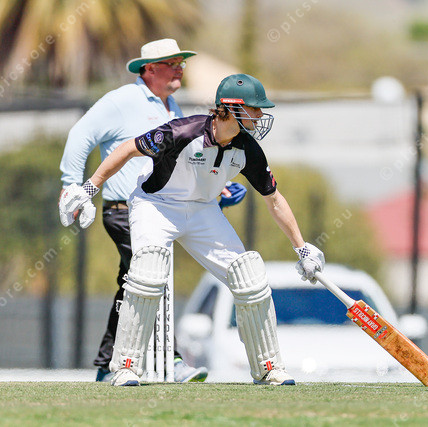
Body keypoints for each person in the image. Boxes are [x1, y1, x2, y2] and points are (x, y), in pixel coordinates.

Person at [59, 73, 325, 386]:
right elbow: (129, 148)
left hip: (202, 210)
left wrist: (302, 248)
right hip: (155, 205)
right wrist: (89, 188)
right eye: (254, 108)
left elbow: (274, 199)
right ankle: (126, 367)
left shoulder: (248, 149)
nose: (259, 115)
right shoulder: (183, 131)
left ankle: (269, 368)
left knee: (249, 276)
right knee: (147, 273)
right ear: (231, 108)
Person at [59, 39, 246, 383]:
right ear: (149, 69)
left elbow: (183, 160)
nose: (180, 69)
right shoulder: (121, 101)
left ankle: (106, 364)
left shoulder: (172, 107)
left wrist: (215, 189)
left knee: (131, 285)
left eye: (181, 64)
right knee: (151, 275)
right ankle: (171, 360)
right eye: (172, 63)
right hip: (125, 209)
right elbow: (81, 134)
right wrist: (72, 185)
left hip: (160, 211)